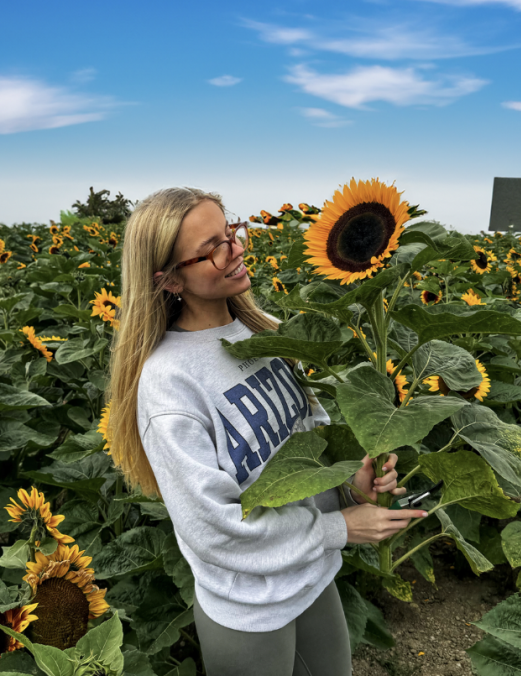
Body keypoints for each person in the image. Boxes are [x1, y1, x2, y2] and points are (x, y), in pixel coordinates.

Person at [104, 187, 427, 676]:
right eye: (213, 247)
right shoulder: (169, 384)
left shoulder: (267, 331)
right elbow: (212, 529)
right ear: (169, 279)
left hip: (312, 576)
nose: (235, 249)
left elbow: (311, 437)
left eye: (231, 232)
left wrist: (349, 486)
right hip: (248, 607)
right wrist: (339, 528)